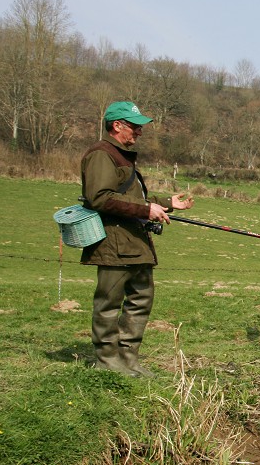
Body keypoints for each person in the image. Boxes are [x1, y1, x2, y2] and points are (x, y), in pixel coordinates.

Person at [80, 101, 194, 377]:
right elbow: (100, 197)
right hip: (112, 243)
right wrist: (146, 209)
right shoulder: (101, 154)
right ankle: (108, 361)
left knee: (141, 299)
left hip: (134, 242)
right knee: (108, 303)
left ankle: (128, 358)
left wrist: (165, 203)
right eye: (135, 126)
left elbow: (130, 199)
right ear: (117, 125)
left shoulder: (120, 155)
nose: (139, 132)